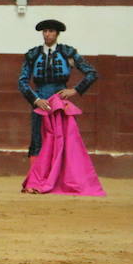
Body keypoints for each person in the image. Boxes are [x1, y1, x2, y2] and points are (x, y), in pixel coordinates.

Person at [17, 19, 98, 160]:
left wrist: (75, 90)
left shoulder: (68, 52)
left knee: (63, 140)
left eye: (51, 31)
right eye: (45, 31)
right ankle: (38, 179)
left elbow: (92, 73)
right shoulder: (33, 54)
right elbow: (22, 81)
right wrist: (36, 100)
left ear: (57, 34)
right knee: (38, 140)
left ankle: (59, 178)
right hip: (40, 101)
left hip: (60, 102)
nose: (47, 34)